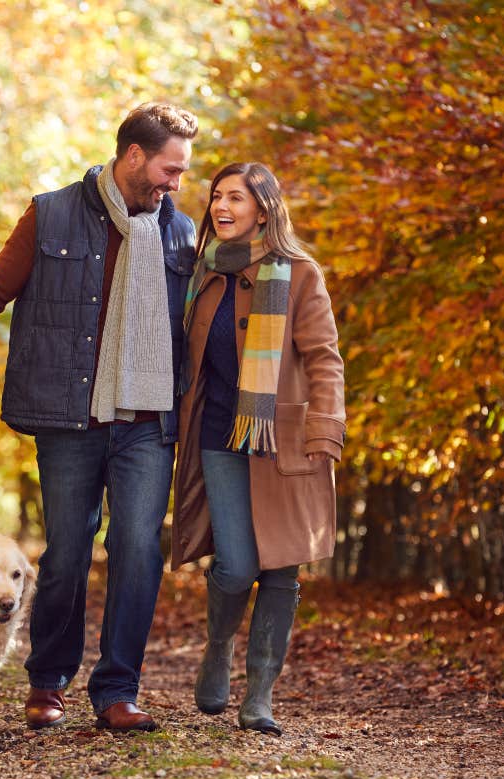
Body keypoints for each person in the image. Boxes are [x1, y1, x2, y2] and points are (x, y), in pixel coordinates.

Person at [0, 103, 199, 733]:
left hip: (147, 419)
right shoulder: (52, 213)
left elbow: (206, 318)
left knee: (139, 548)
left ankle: (118, 690)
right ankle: (49, 680)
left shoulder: (181, 232)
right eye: (170, 169)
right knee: (66, 552)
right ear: (134, 156)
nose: (176, 184)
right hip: (71, 415)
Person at [170, 162, 345, 736]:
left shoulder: (298, 274)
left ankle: (260, 696)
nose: (221, 207)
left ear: (263, 209)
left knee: (281, 572)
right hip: (220, 436)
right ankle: (217, 647)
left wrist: (326, 427)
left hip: (284, 441)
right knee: (236, 564)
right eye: (217, 196)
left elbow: (323, 358)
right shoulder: (201, 273)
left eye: (236, 199)